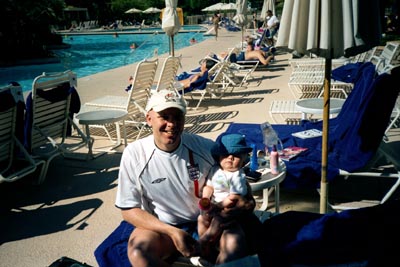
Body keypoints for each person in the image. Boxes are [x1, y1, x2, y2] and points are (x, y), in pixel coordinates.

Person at [115, 89, 259, 266]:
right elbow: (129, 210)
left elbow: (234, 177)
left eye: (177, 117)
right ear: (149, 119)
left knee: (234, 245)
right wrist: (172, 232)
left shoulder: (206, 148)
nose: (172, 124)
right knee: (139, 253)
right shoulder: (135, 155)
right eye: (164, 116)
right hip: (165, 228)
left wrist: (249, 200)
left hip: (210, 222)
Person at [197, 134, 261, 261]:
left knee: (218, 220)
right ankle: (207, 248)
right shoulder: (215, 170)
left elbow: (234, 198)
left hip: (229, 207)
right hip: (214, 204)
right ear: (218, 156)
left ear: (243, 159)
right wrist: (205, 199)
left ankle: (206, 239)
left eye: (236, 155)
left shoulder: (238, 176)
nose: (230, 157)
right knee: (201, 218)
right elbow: (209, 186)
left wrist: (218, 206)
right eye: (225, 154)